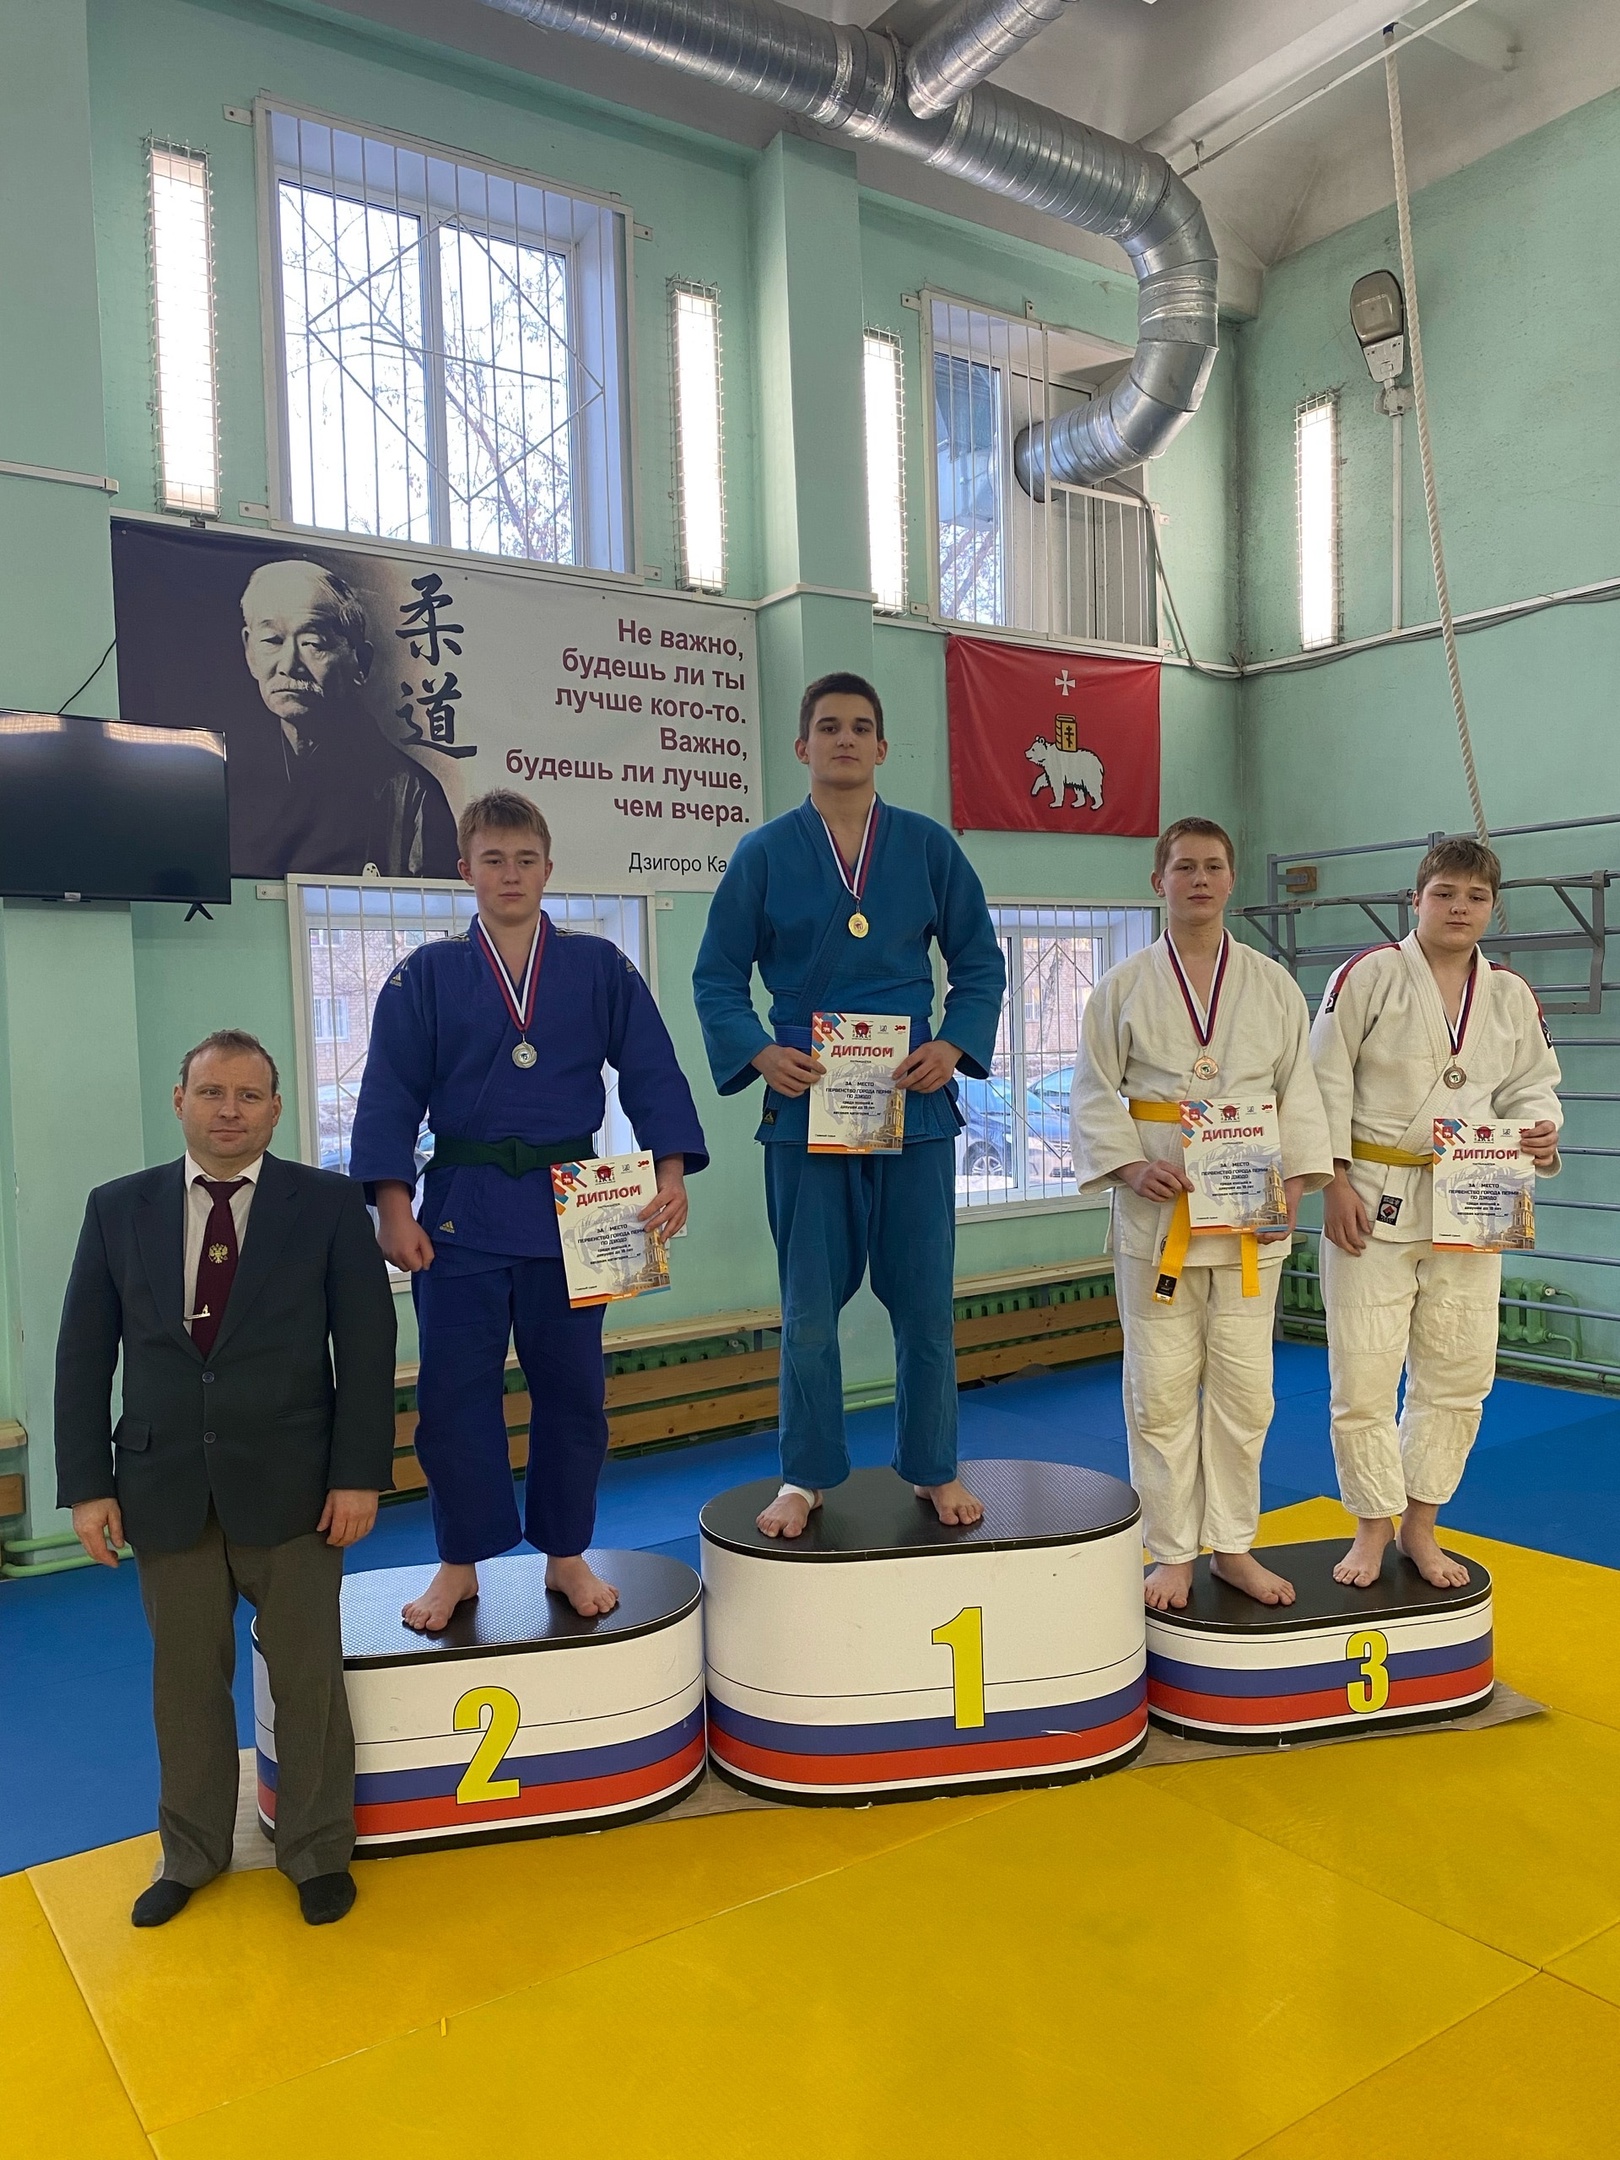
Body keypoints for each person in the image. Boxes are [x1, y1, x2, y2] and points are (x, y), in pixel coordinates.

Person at [54, 1031, 396, 1929]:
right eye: (212, 1092)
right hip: (163, 1485)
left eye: (249, 1095)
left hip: (297, 1487)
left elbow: (367, 1348)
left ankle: (316, 1852)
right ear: (180, 1100)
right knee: (184, 1686)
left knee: (308, 1680)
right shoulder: (117, 1209)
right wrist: (88, 1485)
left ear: (276, 1109)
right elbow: (83, 1354)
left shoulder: (328, 1205)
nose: (230, 1111)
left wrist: (359, 1474)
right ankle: (192, 1853)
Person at [349, 790, 707, 1633]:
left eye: (524, 860)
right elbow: (389, 1093)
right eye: (493, 860)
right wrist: (393, 1205)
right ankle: (459, 1563)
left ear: (548, 869)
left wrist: (672, 1169)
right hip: (461, 1208)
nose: (509, 874)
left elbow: (651, 1070)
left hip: (577, 1208)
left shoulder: (600, 967)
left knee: (574, 1393)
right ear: (464, 870)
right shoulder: (424, 975)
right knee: (453, 1396)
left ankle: (566, 1551)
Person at [692, 671, 1006, 1539]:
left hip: (915, 1100)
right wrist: (760, 1051)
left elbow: (980, 962)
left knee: (926, 1304)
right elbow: (716, 976)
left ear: (881, 747)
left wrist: (954, 1044)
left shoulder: (928, 847)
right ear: (803, 746)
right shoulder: (763, 854)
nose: (844, 739)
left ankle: (934, 1466)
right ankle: (805, 1474)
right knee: (808, 1310)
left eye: (860, 727)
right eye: (828, 726)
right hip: (808, 1103)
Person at [1070, 818, 1333, 1611]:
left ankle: (1234, 1546)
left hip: (1251, 1214)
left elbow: (1300, 1092)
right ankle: (1172, 1551)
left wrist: (1294, 1190)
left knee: (1247, 1392)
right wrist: (1128, 1165)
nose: (1200, 879)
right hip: (1159, 1213)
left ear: (1231, 879)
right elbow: (1092, 1089)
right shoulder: (1120, 986)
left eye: (1214, 866)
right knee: (1159, 1388)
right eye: (1184, 867)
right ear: (1159, 880)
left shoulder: (1273, 984)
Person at [1310, 837, 1562, 1589]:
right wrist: (1332, 1182)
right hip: (1373, 1192)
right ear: (1415, 899)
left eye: (1476, 897)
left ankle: (1421, 1525)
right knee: (1363, 1374)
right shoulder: (1368, 975)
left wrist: (1542, 1129)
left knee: (1457, 1372)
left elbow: (1533, 1085)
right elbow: (1323, 1081)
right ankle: (1371, 1526)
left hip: (1474, 1195)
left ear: (1493, 908)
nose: (1460, 908)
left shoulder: (1510, 993)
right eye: (1445, 893)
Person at [236, 558, 459, 877]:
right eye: (272, 640)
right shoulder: (235, 778)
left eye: (313, 644)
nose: (288, 665)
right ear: (249, 651)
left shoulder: (412, 795)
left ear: (361, 662)